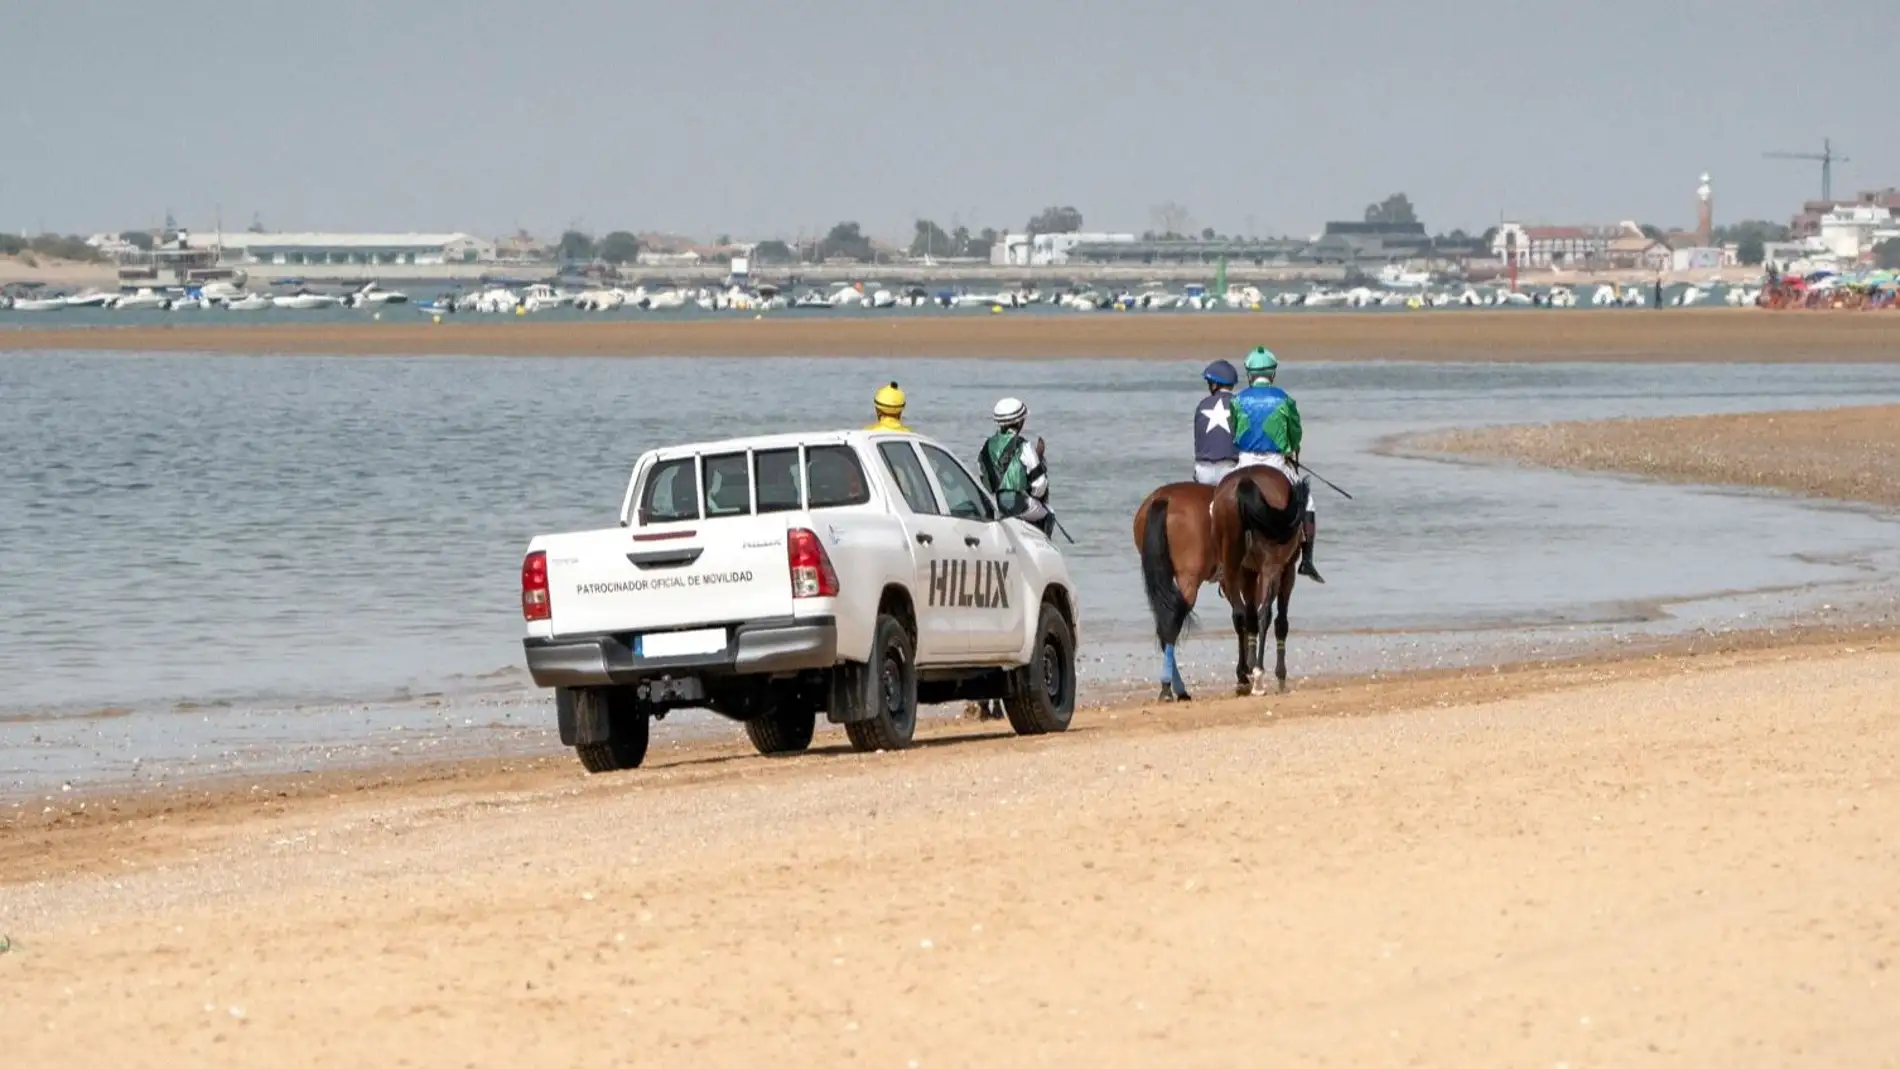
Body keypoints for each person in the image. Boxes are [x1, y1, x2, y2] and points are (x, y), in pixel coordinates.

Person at [1231, 346, 1323, 583]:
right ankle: (1307, 560)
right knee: (1308, 502)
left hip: (1244, 460)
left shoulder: (1238, 399)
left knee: (1214, 505)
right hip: (1276, 461)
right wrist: (1290, 448)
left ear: (1249, 374)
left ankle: (1220, 556)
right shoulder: (1284, 399)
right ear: (1272, 374)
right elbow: (1295, 433)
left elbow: (1235, 432)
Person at [976, 396, 1053, 536]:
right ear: (1019, 422)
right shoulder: (1024, 446)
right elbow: (1040, 484)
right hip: (1020, 505)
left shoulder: (986, 446)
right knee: (1048, 513)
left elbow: (984, 480)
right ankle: (1043, 546)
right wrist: (1034, 496)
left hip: (997, 504)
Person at [1193, 358, 1240, 486]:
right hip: (1230, 470)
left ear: (1215, 385)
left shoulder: (1202, 405)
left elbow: (1199, 442)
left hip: (1202, 470)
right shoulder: (1240, 404)